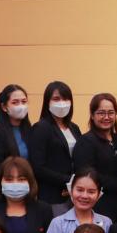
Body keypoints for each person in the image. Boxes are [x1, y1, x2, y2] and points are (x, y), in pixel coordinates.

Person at [29, 80, 81, 208]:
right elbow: (38, 167)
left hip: (74, 194)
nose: (62, 103)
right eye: (56, 99)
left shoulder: (74, 128)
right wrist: (68, 181)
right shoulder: (41, 128)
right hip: (51, 194)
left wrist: (75, 184)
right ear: (47, 102)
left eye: (65, 99)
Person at [72, 93, 117, 220]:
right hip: (98, 205)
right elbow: (86, 174)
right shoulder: (85, 142)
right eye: (101, 113)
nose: (106, 117)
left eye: (111, 113)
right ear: (92, 115)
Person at [0, 84, 32, 169]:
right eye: (15, 102)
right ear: (4, 107)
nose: (21, 106)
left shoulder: (31, 130)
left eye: (24, 101)